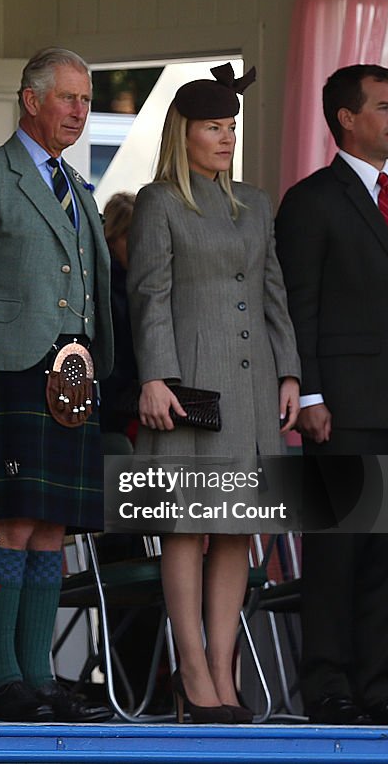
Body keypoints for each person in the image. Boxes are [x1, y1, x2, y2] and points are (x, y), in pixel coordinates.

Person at [0, 46, 114, 723]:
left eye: (85, 100)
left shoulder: (77, 187)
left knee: (51, 529)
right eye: (67, 97)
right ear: (30, 100)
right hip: (6, 371)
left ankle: (40, 677)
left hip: (71, 381)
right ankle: (2, 678)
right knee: (10, 525)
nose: (78, 111)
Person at [126, 64, 300, 724]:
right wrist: (156, 378)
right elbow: (150, 295)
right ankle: (191, 670)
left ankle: (224, 674)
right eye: (212, 128)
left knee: (235, 532)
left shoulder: (255, 202)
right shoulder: (159, 201)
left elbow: (273, 292)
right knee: (185, 526)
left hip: (255, 388)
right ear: (183, 134)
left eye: (231, 126)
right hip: (188, 387)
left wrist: (291, 374)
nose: (226, 138)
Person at [275, 64, 388, 726]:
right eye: (383, 106)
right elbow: (299, 309)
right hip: (340, 409)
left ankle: (376, 688)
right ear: (347, 118)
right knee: (338, 553)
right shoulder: (312, 200)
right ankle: (329, 689)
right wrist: (310, 393)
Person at [98, 191, 138, 442]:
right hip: (114, 410)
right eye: (130, 237)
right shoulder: (106, 286)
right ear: (113, 238)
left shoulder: (136, 282)